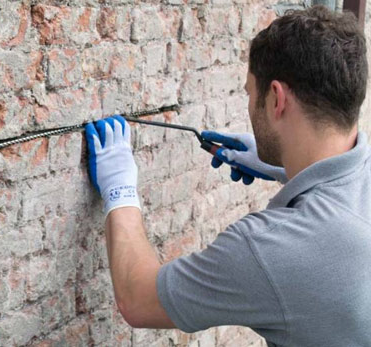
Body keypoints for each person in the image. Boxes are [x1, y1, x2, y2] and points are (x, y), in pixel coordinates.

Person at [84, 5, 370, 347]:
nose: (250, 106)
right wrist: (286, 168)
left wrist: (120, 188)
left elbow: (138, 298)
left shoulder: (274, 249)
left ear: (276, 99)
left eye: (250, 94)